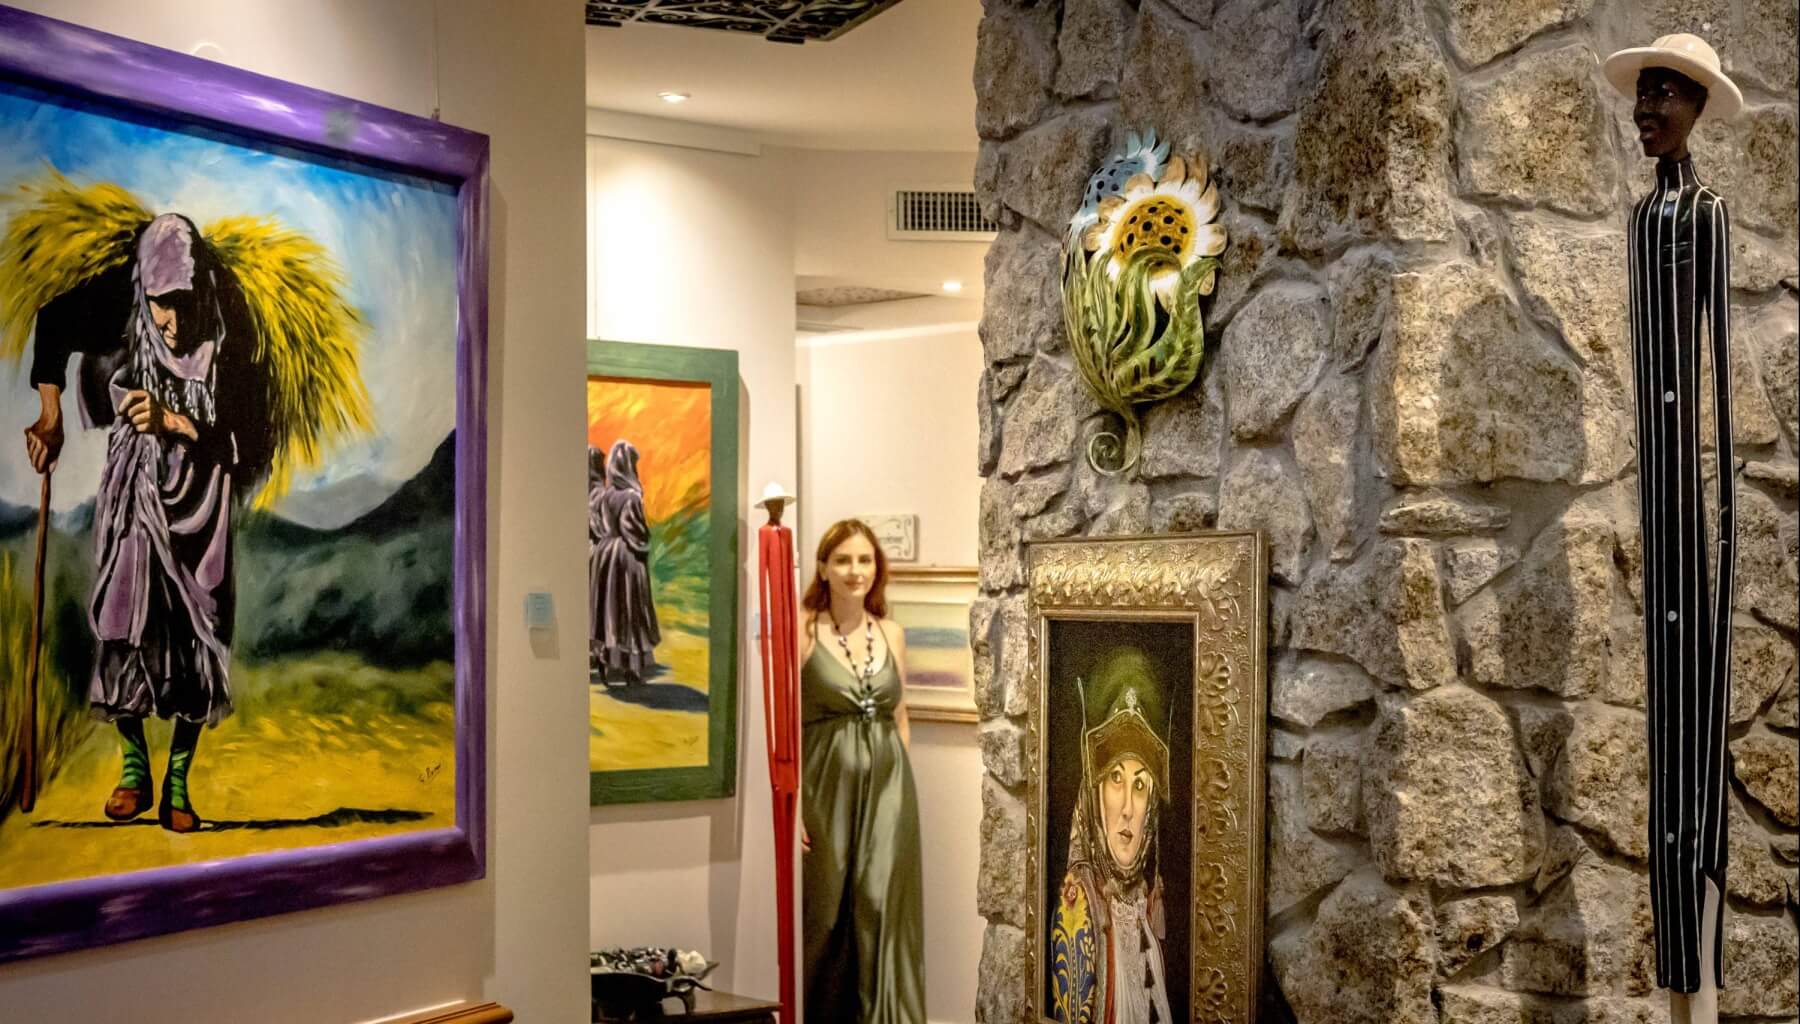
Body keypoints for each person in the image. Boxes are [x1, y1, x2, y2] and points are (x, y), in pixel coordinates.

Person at [22, 213, 270, 833]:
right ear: (144, 290)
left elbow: (243, 436)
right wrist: (50, 416)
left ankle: (179, 781)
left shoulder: (230, 322)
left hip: (202, 495)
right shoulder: (121, 297)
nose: (173, 323)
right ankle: (135, 767)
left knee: (199, 625)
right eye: (162, 306)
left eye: (183, 305)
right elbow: (52, 325)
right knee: (123, 616)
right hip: (135, 488)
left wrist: (174, 421)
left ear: (200, 290)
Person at [1603, 33, 1742, 1024]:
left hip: (1694, 511)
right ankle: (1668, 988)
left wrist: (1720, 528)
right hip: (1655, 505)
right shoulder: (1641, 218)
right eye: (1642, 94)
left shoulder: (1705, 217)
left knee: (1698, 741)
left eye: (1664, 95)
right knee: (1661, 747)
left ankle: (1703, 982)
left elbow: (1723, 388)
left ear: (1694, 107)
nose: (1646, 110)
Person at [799, 518, 925, 1024]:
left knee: (882, 906)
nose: (856, 571)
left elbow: (900, 715)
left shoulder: (891, 632)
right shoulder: (804, 629)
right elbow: (784, 723)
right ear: (824, 568)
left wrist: (897, 777)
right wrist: (790, 810)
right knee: (829, 914)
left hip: (890, 790)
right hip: (825, 790)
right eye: (844, 560)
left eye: (865, 560)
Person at [1048, 647, 1173, 1024]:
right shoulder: (1079, 905)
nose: (1128, 809)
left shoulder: (1143, 901)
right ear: (1095, 791)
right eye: (1116, 780)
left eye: (1140, 784)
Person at [590, 438, 660, 685]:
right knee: (629, 611)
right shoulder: (631, 496)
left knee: (610, 611)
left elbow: (600, 525)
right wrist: (644, 544)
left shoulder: (605, 495)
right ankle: (631, 669)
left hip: (606, 556)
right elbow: (635, 530)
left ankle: (609, 662)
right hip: (626, 558)